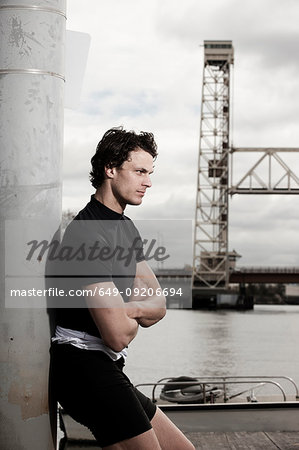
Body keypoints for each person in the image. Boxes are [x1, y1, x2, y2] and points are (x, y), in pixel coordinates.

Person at [49, 127, 195, 450]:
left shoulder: (127, 230)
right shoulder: (88, 234)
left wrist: (129, 309)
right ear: (110, 169)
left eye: (150, 173)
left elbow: (159, 303)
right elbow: (116, 334)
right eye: (140, 171)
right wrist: (133, 314)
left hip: (109, 365)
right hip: (81, 367)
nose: (148, 182)